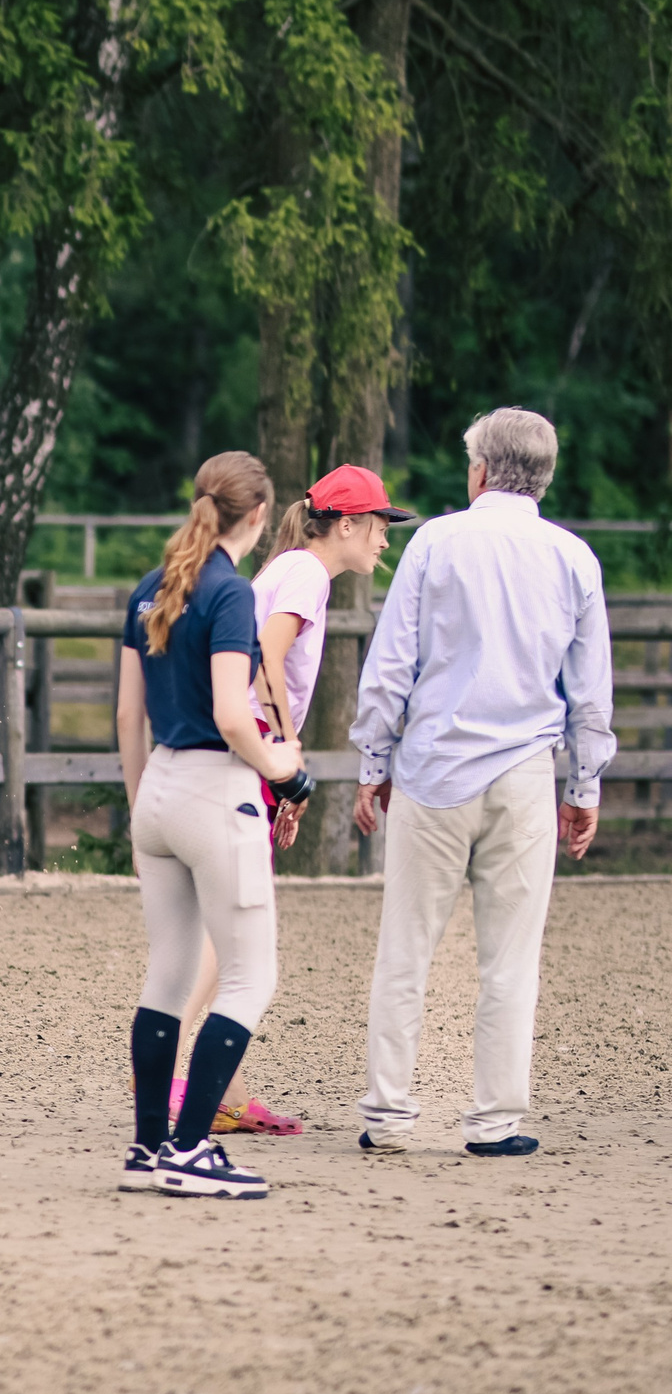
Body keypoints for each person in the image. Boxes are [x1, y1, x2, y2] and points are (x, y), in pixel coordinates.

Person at [350, 407, 614, 1159]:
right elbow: (589, 691)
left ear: (478, 470)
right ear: (546, 474)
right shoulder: (574, 559)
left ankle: (390, 1114)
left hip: (435, 767)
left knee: (406, 949)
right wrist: (584, 786)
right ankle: (495, 1121)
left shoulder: (435, 541)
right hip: (526, 773)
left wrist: (375, 762)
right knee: (511, 959)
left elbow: (391, 663)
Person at [164, 463, 413, 1140]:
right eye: (381, 526)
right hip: (247, 758)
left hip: (235, 757)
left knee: (233, 924)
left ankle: (228, 1096)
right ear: (350, 524)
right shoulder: (305, 573)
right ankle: (167, 1055)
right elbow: (267, 661)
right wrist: (285, 763)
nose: (385, 540)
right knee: (242, 937)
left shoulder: (292, 571)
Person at [114, 451, 307, 1199]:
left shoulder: (150, 588)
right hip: (214, 787)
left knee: (169, 971)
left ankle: (146, 1147)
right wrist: (283, 768)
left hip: (158, 784)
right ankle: (190, 1149)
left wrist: (140, 806)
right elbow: (234, 714)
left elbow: (129, 715)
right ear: (258, 516)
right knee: (251, 975)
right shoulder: (229, 594)